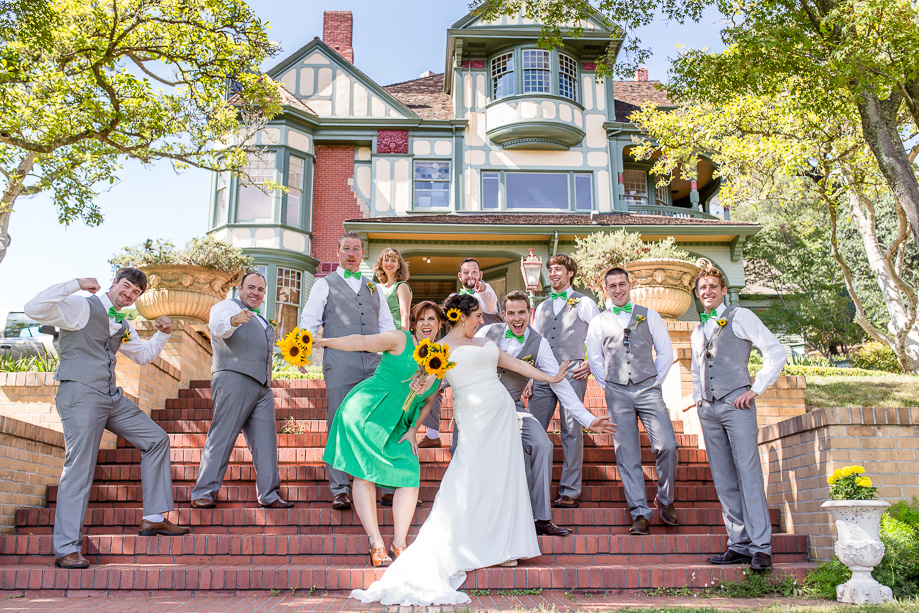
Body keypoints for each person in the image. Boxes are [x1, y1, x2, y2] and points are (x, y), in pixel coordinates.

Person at [350, 294, 568, 606]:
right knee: (469, 478)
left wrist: (550, 376)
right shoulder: (438, 351)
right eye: (477, 315)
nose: (482, 321)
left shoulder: (484, 342)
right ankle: (463, 543)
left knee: (502, 478)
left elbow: (515, 363)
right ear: (461, 316)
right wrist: (411, 426)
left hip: (503, 416)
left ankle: (503, 547)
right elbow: (424, 391)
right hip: (475, 418)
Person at [24, 269, 189, 570]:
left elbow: (142, 356)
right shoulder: (82, 307)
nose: (129, 295)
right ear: (114, 284)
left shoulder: (122, 324)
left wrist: (163, 334)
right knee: (80, 467)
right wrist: (74, 283)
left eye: (135, 293)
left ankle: (153, 518)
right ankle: (66, 549)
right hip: (80, 393)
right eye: (126, 287)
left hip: (110, 397)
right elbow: (33, 308)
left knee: (156, 440)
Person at [475, 291, 616, 537]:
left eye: (521, 313)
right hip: (483, 407)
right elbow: (462, 358)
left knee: (542, 443)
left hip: (513, 408)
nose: (516, 319)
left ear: (529, 313)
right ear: (504, 315)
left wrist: (588, 419)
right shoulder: (486, 333)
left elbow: (559, 384)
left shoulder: (538, 343)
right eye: (511, 313)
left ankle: (540, 518)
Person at [318, 301, 443, 567]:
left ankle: (399, 544)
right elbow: (362, 341)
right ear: (414, 323)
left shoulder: (438, 361)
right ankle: (376, 544)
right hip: (368, 411)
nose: (426, 324)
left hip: (399, 423)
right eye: (421, 319)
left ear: (439, 325)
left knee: (410, 474)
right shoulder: (400, 340)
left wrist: (413, 430)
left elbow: (429, 402)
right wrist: (327, 341)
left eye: (432, 319)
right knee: (364, 475)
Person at [692, 265, 785, 571]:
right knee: (723, 478)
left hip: (737, 404)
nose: (707, 291)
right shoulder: (697, 330)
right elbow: (697, 371)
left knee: (748, 473)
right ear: (697, 292)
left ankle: (761, 547)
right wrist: (698, 400)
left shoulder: (740, 316)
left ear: (722, 290)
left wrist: (756, 388)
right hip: (709, 409)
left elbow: (775, 350)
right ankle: (739, 544)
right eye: (702, 287)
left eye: (712, 286)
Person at [299, 231, 396, 510]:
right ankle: (340, 488)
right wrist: (302, 351)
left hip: (374, 363)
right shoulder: (324, 284)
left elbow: (386, 328)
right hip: (340, 362)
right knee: (339, 420)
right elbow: (309, 320)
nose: (351, 253)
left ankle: (385, 484)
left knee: (379, 420)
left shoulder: (374, 288)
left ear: (363, 253)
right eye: (346, 248)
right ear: (338, 251)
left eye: (356, 249)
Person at [585, 267, 678, 536]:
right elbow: (595, 359)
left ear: (630, 285)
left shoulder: (650, 315)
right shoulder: (598, 322)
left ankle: (665, 499)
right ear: (606, 289)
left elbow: (665, 352)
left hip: (648, 388)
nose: (617, 289)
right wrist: (609, 385)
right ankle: (640, 512)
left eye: (621, 284)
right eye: (612, 285)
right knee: (627, 454)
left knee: (667, 446)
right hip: (617, 392)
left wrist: (654, 381)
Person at [190, 271, 293, 510]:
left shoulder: (262, 320)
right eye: (251, 288)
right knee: (222, 435)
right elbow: (217, 327)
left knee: (266, 441)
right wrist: (235, 320)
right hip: (234, 377)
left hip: (262, 386)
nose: (255, 293)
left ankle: (269, 494)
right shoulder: (226, 306)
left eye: (260, 289)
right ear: (240, 288)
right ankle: (203, 491)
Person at [528, 254, 600, 509]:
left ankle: (570, 490)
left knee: (571, 429)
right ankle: (529, 487)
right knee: (533, 429)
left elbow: (600, 335)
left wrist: (591, 363)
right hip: (543, 374)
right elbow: (534, 342)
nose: (553, 274)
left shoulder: (585, 302)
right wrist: (529, 376)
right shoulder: (543, 307)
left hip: (572, 372)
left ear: (570, 273)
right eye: (551, 270)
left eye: (558, 269)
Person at [374, 248, 412, 330]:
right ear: (381, 264)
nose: (389, 263)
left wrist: (404, 336)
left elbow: (405, 315)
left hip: (395, 333)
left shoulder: (401, 286)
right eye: (386, 260)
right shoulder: (377, 287)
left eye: (393, 260)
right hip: (378, 334)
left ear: (398, 265)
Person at [457, 258, 502, 325]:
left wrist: (483, 288)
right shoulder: (458, 298)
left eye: (474, 272)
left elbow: (488, 295)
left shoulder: (484, 294)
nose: (470, 275)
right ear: (460, 276)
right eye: (466, 272)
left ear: (481, 275)